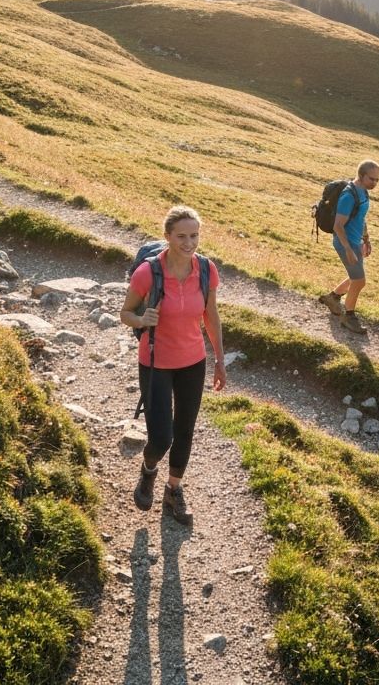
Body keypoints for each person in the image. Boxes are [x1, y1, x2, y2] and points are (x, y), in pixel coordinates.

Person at [120, 206, 225, 525]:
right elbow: (126, 313)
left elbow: (211, 316)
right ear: (167, 237)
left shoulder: (206, 269)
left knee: (184, 431)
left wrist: (220, 360)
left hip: (193, 361)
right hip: (155, 362)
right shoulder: (148, 273)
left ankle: (173, 490)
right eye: (181, 236)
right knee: (161, 437)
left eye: (194, 235)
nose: (189, 242)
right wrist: (141, 318)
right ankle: (149, 469)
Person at [317, 160, 379, 335]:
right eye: (371, 179)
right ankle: (349, 317)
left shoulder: (363, 192)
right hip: (345, 242)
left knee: (356, 277)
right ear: (361, 175)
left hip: (355, 241)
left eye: (377, 180)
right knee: (359, 281)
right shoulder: (349, 195)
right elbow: (338, 225)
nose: (374, 183)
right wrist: (348, 249)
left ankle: (333, 297)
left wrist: (366, 239)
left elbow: (361, 218)